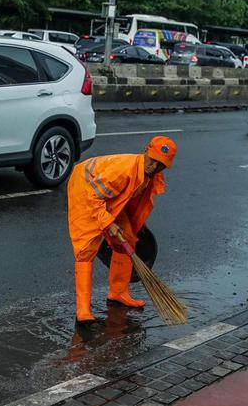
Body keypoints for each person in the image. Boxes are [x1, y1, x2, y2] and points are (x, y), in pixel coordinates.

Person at [67, 136, 175, 324]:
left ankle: (118, 292)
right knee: (86, 248)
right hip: (85, 188)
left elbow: (127, 199)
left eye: (161, 165)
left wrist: (121, 224)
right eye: (153, 161)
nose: (154, 167)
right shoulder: (123, 171)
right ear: (146, 152)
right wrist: (108, 223)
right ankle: (83, 309)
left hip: (107, 194)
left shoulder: (150, 176)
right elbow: (94, 198)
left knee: (127, 237)